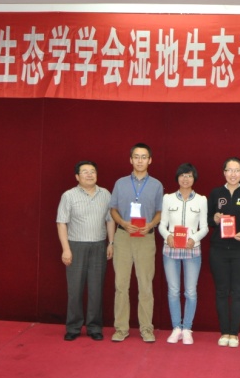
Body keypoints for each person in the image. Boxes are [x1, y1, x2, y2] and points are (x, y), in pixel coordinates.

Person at [109, 143, 163, 343]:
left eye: (144, 157)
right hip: (123, 236)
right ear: (131, 160)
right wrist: (123, 223)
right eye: (136, 157)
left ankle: (146, 328)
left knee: (145, 285)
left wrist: (151, 224)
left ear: (150, 160)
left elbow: (160, 212)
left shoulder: (157, 185)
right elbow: (113, 209)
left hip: (145, 237)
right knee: (121, 285)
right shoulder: (120, 183)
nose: (140, 160)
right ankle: (121, 328)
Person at [56, 161, 115, 341]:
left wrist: (111, 243)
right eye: (85, 172)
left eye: (92, 171)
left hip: (99, 246)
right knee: (75, 289)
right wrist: (66, 249)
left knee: (96, 289)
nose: (89, 175)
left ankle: (94, 327)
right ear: (77, 176)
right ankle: (73, 327)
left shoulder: (105, 194)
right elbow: (61, 222)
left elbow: (110, 220)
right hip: (76, 246)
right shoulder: (69, 195)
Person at [208, 157, 240, 348]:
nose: (233, 174)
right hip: (218, 250)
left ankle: (234, 333)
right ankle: (224, 332)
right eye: (229, 170)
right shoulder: (215, 193)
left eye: (237, 170)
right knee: (221, 291)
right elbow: (207, 219)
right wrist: (214, 219)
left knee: (237, 292)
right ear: (224, 172)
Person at [158, 163, 209, 345]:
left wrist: (194, 239)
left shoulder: (201, 200)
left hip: (192, 250)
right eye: (182, 175)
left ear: (194, 178)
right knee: (173, 291)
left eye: (189, 175)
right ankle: (176, 328)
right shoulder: (168, 198)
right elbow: (162, 225)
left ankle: (187, 328)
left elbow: (204, 227)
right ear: (177, 178)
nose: (185, 179)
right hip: (170, 250)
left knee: (190, 291)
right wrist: (168, 236)